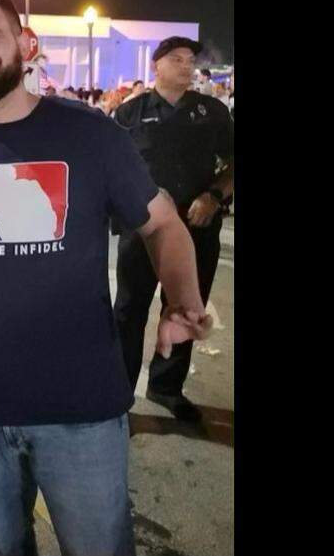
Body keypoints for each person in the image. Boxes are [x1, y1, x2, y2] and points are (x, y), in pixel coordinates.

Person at [0, 0, 211, 556]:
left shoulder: (90, 133)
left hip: (79, 411)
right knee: (5, 546)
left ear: (25, 45)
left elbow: (163, 224)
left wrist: (181, 300)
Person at [111, 36, 234, 422]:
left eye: (191, 60)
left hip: (198, 227)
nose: (187, 66)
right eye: (177, 59)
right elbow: (111, 169)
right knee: (129, 310)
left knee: (183, 309)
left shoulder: (212, 111)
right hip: (143, 232)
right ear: (156, 66)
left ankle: (166, 387)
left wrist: (214, 196)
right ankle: (117, 392)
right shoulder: (129, 115)